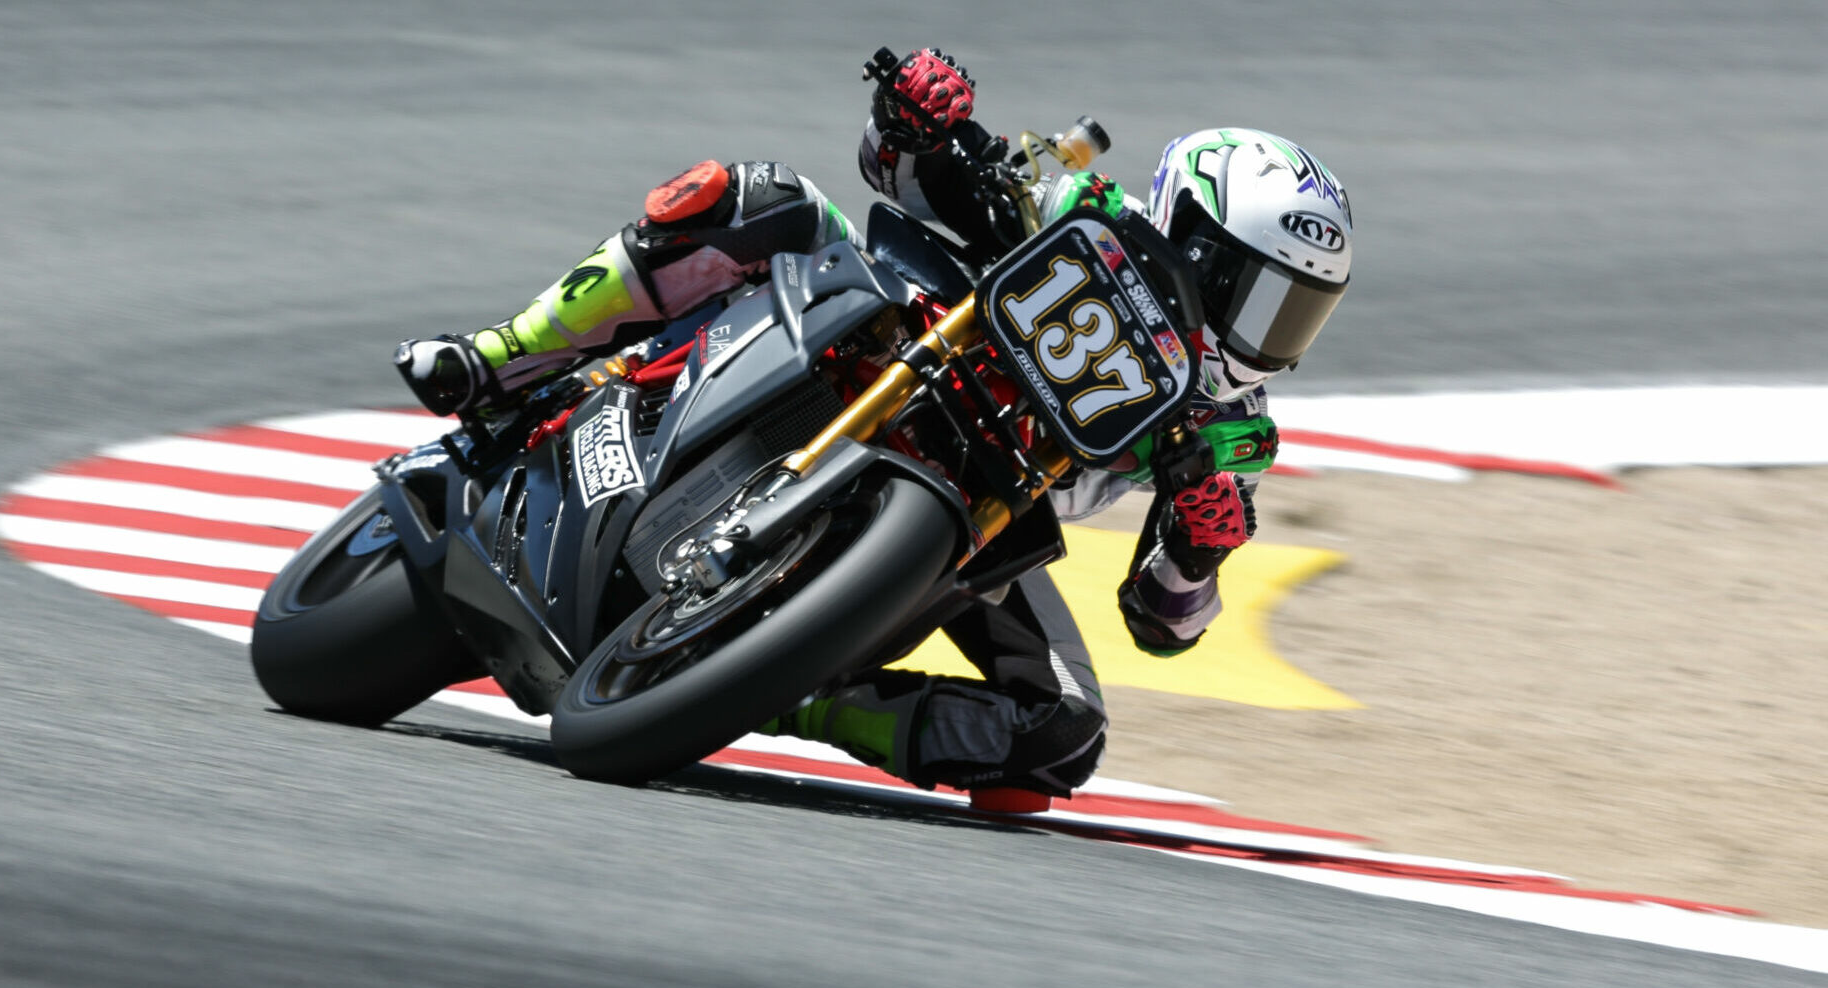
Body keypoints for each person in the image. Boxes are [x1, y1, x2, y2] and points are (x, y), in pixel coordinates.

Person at [397, 48, 1354, 798]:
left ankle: (804, 693)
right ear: (1189, 228)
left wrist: (1199, 551)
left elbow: (1163, 624)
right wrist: (921, 122)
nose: (1267, 332)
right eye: (1259, 294)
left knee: (1062, 732)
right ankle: (502, 355)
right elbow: (894, 173)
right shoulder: (1073, 204)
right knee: (761, 197)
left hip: (988, 517)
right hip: (892, 340)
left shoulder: (1233, 430)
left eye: (1297, 311)